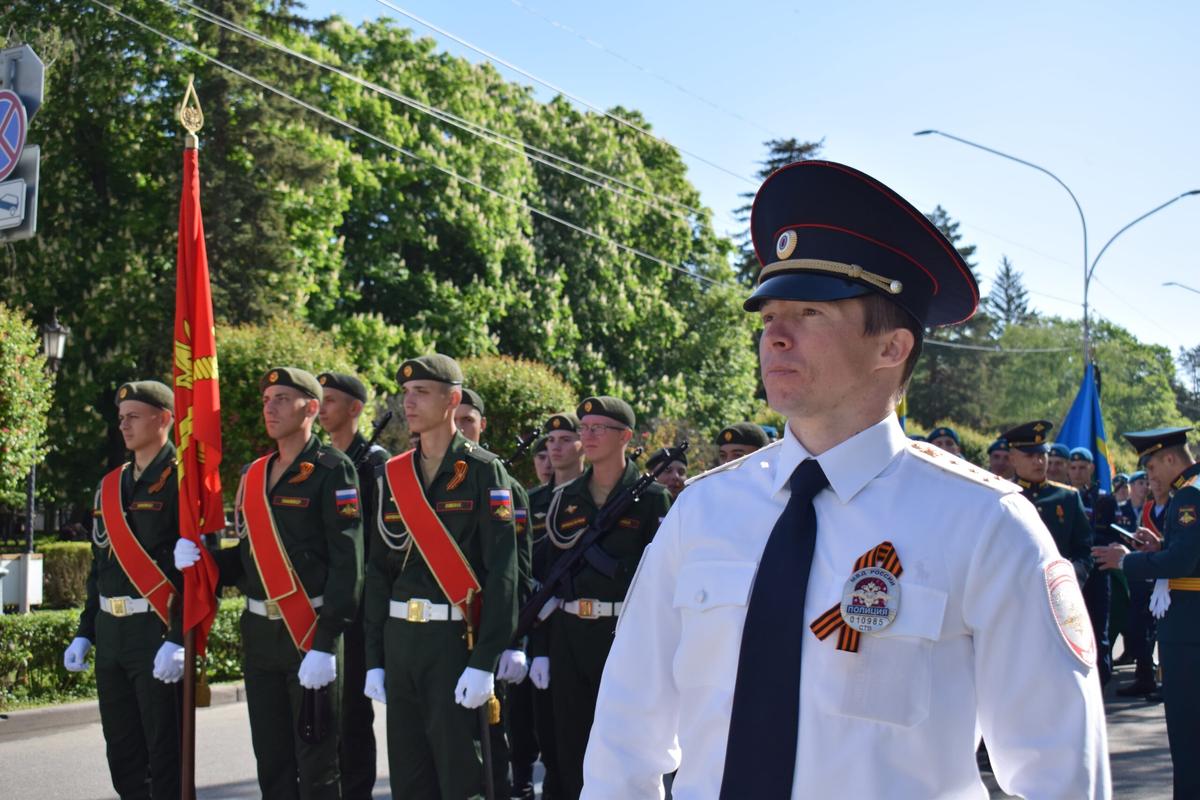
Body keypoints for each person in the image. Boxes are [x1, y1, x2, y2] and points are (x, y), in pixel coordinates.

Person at [581, 160, 1108, 798]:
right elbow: (625, 735)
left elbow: (1062, 772)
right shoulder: (702, 511)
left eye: (810, 312)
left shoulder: (984, 523)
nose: (775, 336)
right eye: (768, 316)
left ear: (892, 348)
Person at [176, 367, 363, 799]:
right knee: (272, 762)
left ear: (310, 408)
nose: (270, 408)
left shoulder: (334, 470)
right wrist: (203, 561)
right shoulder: (255, 474)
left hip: (308, 632)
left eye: (281, 398)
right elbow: (248, 559)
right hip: (260, 634)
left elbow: (347, 566)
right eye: (266, 400)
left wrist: (325, 643)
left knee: (317, 765)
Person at [362, 355, 519, 800]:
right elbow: (378, 572)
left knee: (461, 777)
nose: (409, 402)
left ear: (452, 400)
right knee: (409, 780)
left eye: (422, 392)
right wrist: (374, 656)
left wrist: (485, 659)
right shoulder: (392, 475)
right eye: (406, 393)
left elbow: (503, 572)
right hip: (400, 642)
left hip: (453, 642)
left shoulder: (484, 470)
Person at [542, 396, 672, 799]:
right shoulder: (566, 497)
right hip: (569, 633)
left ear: (625, 437)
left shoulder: (651, 498)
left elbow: (661, 574)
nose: (589, 436)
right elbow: (549, 574)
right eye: (585, 428)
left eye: (599, 428)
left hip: (623, 634)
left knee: (623, 743)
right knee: (570, 742)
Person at [65, 380, 184, 800]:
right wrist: (85, 631)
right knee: (123, 752)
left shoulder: (182, 480)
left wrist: (179, 637)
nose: (124, 425)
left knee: (164, 752)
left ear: (163, 419)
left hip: (154, 630)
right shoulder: (110, 484)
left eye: (133, 416)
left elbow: (196, 572)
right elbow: (100, 567)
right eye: (121, 418)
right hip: (111, 634)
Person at [1093, 427, 1199, 797]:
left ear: (1170, 458)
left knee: (1188, 736)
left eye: (1152, 466)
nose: (1149, 475)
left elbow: (1183, 562)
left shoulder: (1189, 495)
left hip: (1189, 631)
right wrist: (1162, 546)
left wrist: (1127, 561)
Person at [454, 385, 532, 799]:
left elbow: (516, 572)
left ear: (482, 425)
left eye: (468, 420)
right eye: (455, 419)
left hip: (486, 635)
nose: (460, 427)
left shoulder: (503, 484)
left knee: (488, 749)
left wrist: (511, 641)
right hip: (444, 636)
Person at [316, 371, 390, 800]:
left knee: (352, 715)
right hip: (322, 599)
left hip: (359, 606)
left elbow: (380, 540)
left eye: (330, 400)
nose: (322, 408)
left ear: (355, 408)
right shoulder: (321, 462)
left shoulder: (376, 462)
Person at [526, 412, 586, 799]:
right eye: (551, 441)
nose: (556, 448)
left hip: (579, 625)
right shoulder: (532, 501)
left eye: (565, 439)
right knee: (547, 739)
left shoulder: (593, 497)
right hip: (536, 627)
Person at [1002, 422, 1094, 586]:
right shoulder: (1002, 494)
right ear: (1013, 459)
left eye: (1042, 454)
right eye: (1030, 456)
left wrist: (1068, 581)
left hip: (1056, 589)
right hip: (1012, 587)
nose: (1038, 462)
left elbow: (1083, 550)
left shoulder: (1068, 497)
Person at [1067, 446, 1116, 686]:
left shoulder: (1104, 499)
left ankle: (1101, 684)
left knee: (1098, 630)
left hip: (1097, 571)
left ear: (1092, 468)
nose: (1077, 473)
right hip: (1071, 574)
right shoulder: (1063, 497)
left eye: (1082, 468)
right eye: (1073, 468)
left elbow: (1105, 534)